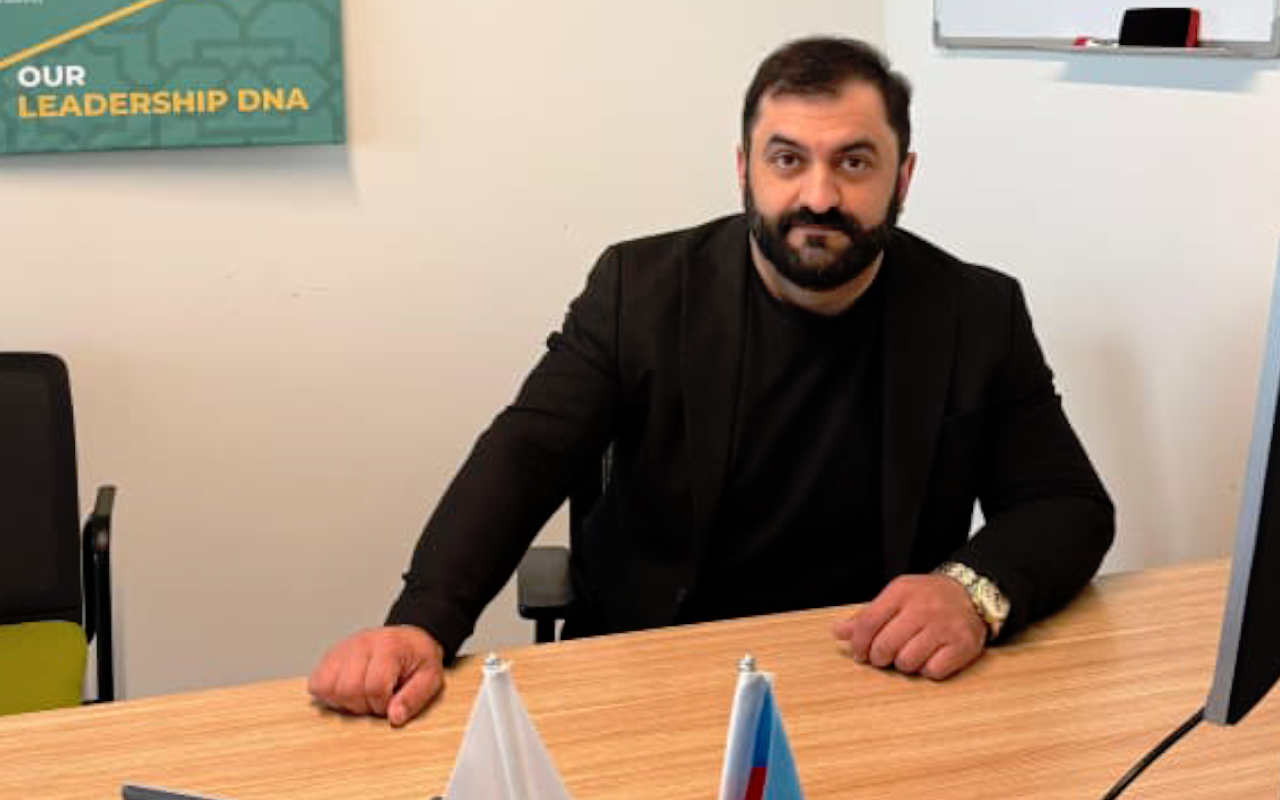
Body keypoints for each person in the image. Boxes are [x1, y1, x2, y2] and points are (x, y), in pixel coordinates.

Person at [309, 36, 1114, 726]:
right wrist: (422, 622)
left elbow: (1067, 503)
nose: (819, 195)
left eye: (854, 162)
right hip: (655, 672)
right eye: (787, 159)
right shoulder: (638, 289)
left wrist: (970, 592)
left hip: (875, 676)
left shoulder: (977, 311)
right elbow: (527, 454)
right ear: (743, 170)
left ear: (902, 179)